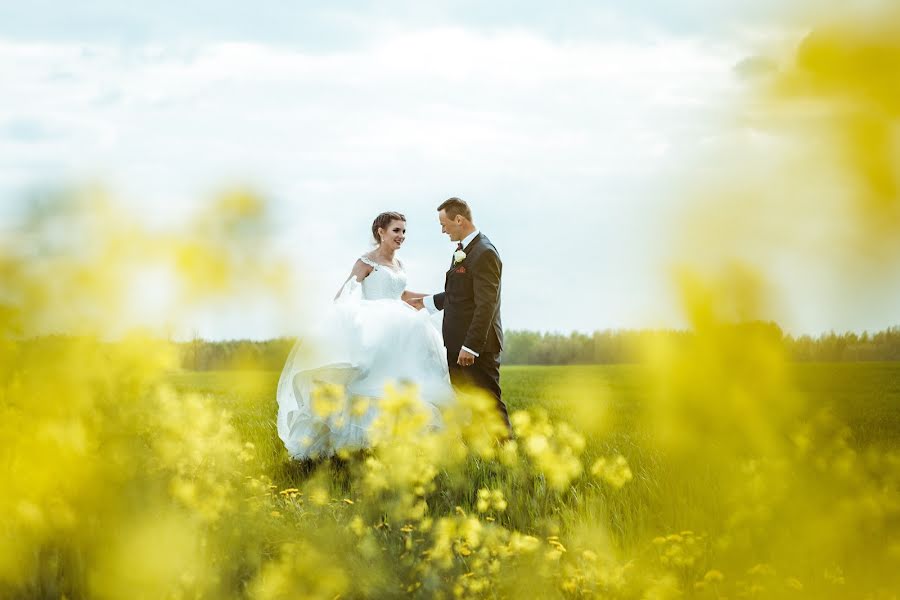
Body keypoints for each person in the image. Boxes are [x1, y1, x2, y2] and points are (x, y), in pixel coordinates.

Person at [275, 211, 454, 460]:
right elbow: (345, 292)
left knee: (398, 380)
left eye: (404, 231)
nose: (401, 236)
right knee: (368, 382)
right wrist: (346, 320)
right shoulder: (366, 262)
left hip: (401, 329)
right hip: (375, 326)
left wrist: (440, 297)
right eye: (396, 231)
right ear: (381, 232)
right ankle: (349, 443)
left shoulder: (400, 265)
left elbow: (401, 294)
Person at [410, 198, 511, 437]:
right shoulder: (464, 251)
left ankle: (507, 452)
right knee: (468, 402)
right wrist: (423, 303)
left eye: (444, 224)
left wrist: (471, 347)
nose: (442, 230)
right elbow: (459, 294)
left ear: (459, 220)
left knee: (488, 401)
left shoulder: (484, 252)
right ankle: (484, 450)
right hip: (458, 344)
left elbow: (486, 304)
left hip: (476, 348)